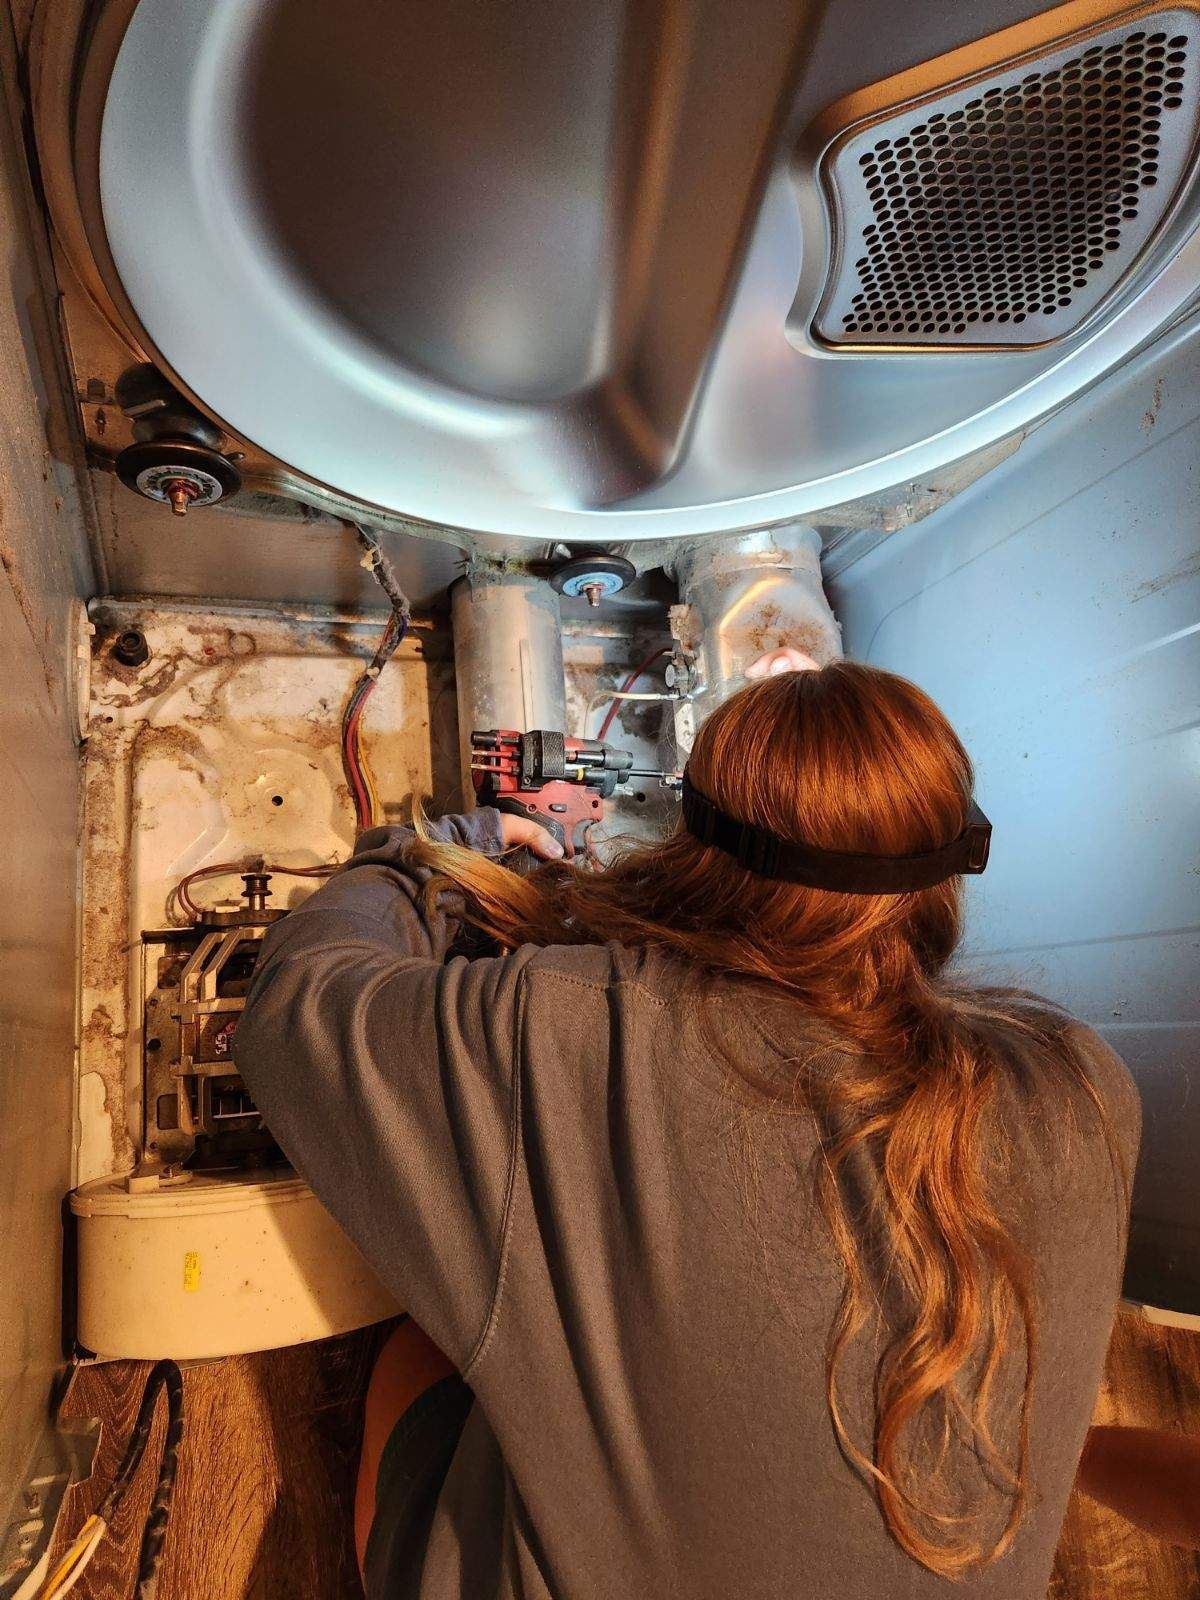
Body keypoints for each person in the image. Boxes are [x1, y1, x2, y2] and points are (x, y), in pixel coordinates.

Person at [235, 648, 1140, 1599]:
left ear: (690, 841)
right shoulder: (1084, 1087)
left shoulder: (567, 1026)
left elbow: (298, 998)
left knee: (419, 1354)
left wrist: (451, 842)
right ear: (952, 864)